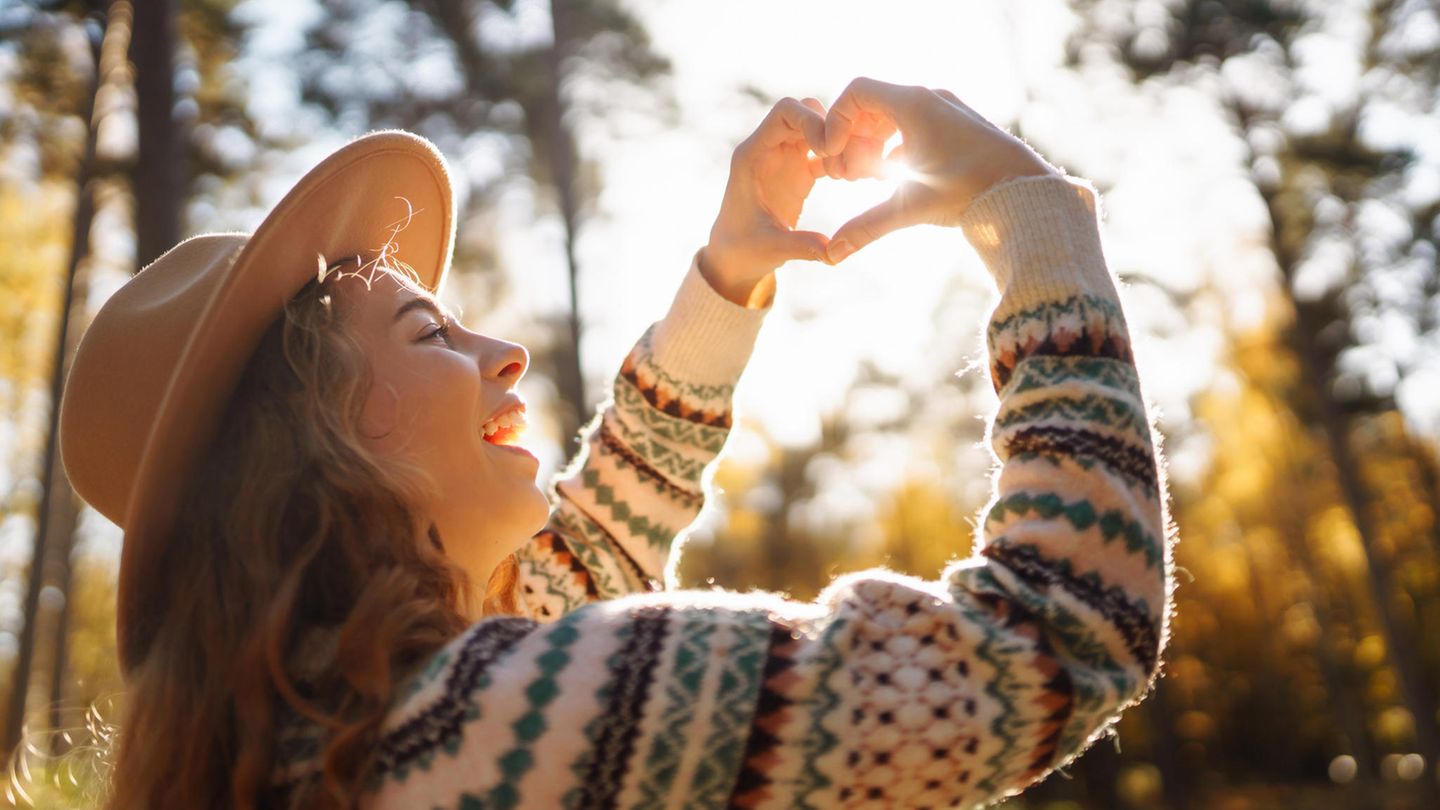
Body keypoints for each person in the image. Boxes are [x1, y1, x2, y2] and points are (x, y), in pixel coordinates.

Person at [57, 77, 1172, 809]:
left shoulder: (323, 756)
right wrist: (1034, 217)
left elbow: (583, 562)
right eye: (427, 330)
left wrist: (728, 278)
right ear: (325, 444)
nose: (504, 353)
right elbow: (1056, 637)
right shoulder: (494, 727)